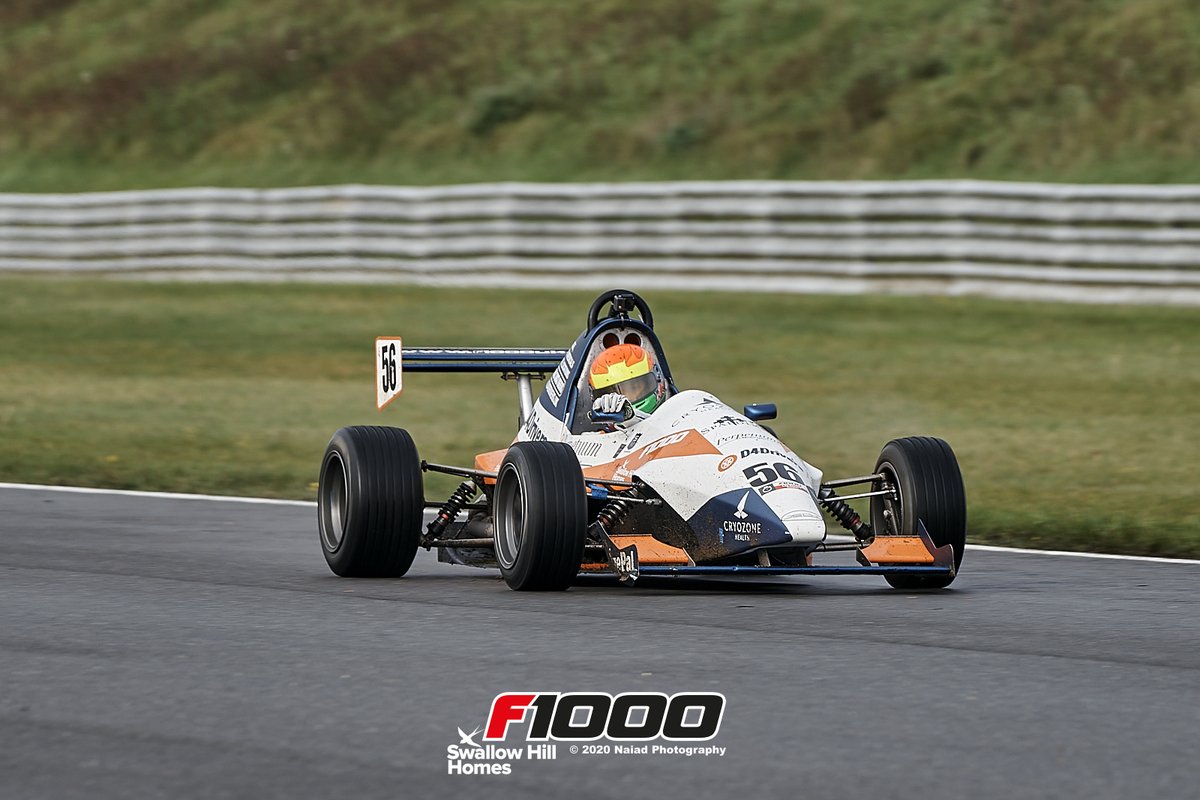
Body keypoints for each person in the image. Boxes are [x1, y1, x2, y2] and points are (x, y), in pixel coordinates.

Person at [589, 343, 668, 429]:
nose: (623, 401)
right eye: (613, 395)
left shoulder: (677, 414)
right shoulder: (594, 437)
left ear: (658, 378)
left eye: (634, 387)